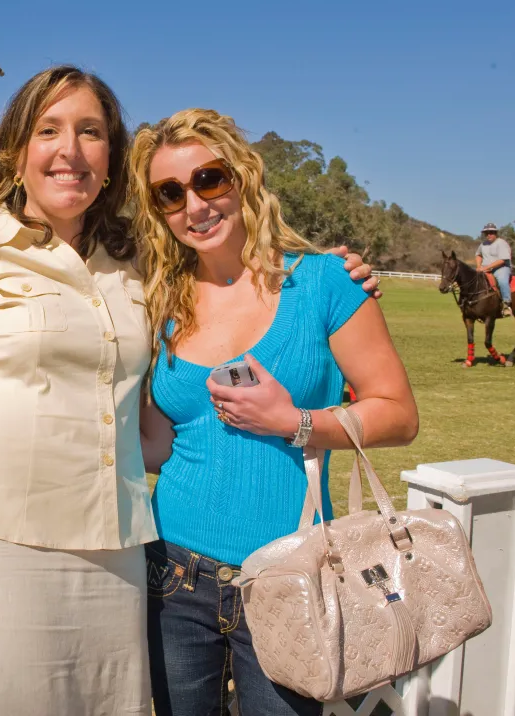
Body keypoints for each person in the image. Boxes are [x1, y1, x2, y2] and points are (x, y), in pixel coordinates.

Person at [0, 67, 377, 716]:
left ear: (110, 160)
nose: (69, 149)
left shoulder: (140, 267)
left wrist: (334, 277)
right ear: (16, 153)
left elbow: (226, 270)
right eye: (48, 130)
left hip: (121, 564)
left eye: (90, 132)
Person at [130, 109, 419, 716]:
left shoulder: (322, 282)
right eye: (171, 193)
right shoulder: (161, 303)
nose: (195, 205)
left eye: (210, 180)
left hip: (291, 575)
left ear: (244, 179)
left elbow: (398, 414)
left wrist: (296, 422)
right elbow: (156, 445)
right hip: (173, 577)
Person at [476, 222, 513, 317]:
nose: (489, 234)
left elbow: (502, 260)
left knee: (502, 281)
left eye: (491, 232)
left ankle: (506, 304)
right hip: (485, 269)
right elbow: (478, 255)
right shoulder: (483, 244)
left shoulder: (501, 243)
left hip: (501, 268)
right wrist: (479, 266)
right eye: (486, 233)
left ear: (495, 233)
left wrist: (486, 268)